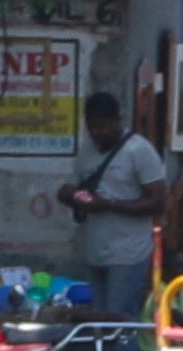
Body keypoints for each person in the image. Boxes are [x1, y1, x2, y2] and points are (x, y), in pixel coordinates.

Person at [63, 93, 169, 327]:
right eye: (92, 127)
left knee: (120, 320)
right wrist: (71, 195)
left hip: (128, 254)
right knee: (99, 321)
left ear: (118, 121)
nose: (98, 132)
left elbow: (158, 202)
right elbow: (79, 186)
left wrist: (110, 205)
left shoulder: (138, 150)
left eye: (103, 126)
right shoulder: (87, 151)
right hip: (96, 251)